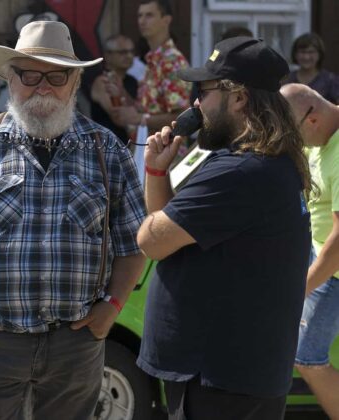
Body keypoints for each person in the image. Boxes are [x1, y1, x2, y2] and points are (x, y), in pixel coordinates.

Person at [0, 21, 146, 419]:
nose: (43, 86)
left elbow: (133, 245)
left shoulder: (107, 151)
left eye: (57, 75)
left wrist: (111, 308)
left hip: (75, 346)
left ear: (75, 81)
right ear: (10, 78)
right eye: (29, 74)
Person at [136, 37, 312, 420]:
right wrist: (156, 171)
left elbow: (151, 241)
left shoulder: (238, 173)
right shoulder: (264, 164)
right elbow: (170, 233)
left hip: (219, 380)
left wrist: (154, 177)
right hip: (235, 376)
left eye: (204, 91)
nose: (196, 103)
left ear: (239, 98)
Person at [280, 82, 339, 420]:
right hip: (320, 257)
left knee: (308, 357)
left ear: (312, 118)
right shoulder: (321, 137)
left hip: (333, 269)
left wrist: (301, 287)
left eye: (294, 134)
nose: (294, 143)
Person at [110, 0, 190, 134]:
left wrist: (139, 118)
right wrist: (121, 91)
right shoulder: (153, 59)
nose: (142, 21)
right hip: (151, 149)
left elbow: (182, 116)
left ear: (166, 20)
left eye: (149, 15)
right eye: (140, 15)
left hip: (168, 151)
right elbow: (146, 110)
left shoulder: (172, 60)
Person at [89, 34, 139, 143]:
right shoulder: (102, 81)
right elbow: (119, 118)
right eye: (123, 52)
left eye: (131, 51)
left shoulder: (132, 81)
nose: (129, 56)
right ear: (107, 55)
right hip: (107, 146)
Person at [284, 33, 339, 105]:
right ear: (295, 54)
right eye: (302, 52)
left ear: (320, 54)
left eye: (311, 52)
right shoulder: (286, 80)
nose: (306, 57)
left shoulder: (330, 80)